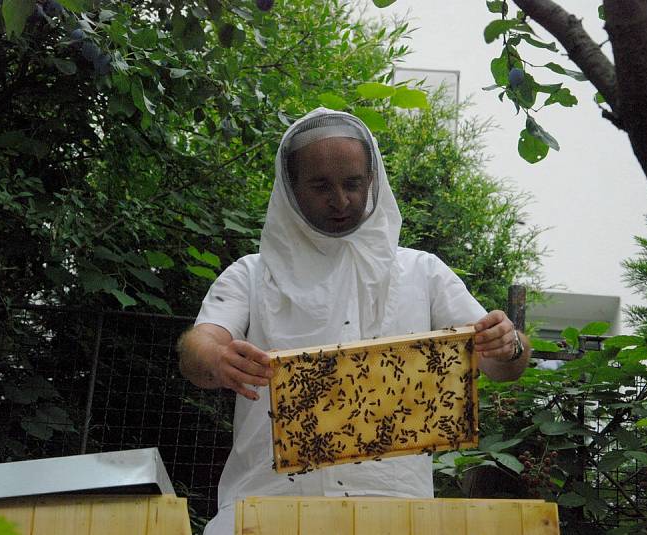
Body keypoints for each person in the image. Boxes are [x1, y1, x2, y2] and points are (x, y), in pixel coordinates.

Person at [178, 108, 530, 534]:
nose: (340, 200)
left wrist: (507, 342)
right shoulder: (250, 275)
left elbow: (503, 365)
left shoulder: (425, 272)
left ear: (372, 180)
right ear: (291, 187)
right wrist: (216, 357)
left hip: (397, 514)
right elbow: (198, 347)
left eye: (352, 184)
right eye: (321, 185)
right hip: (267, 511)